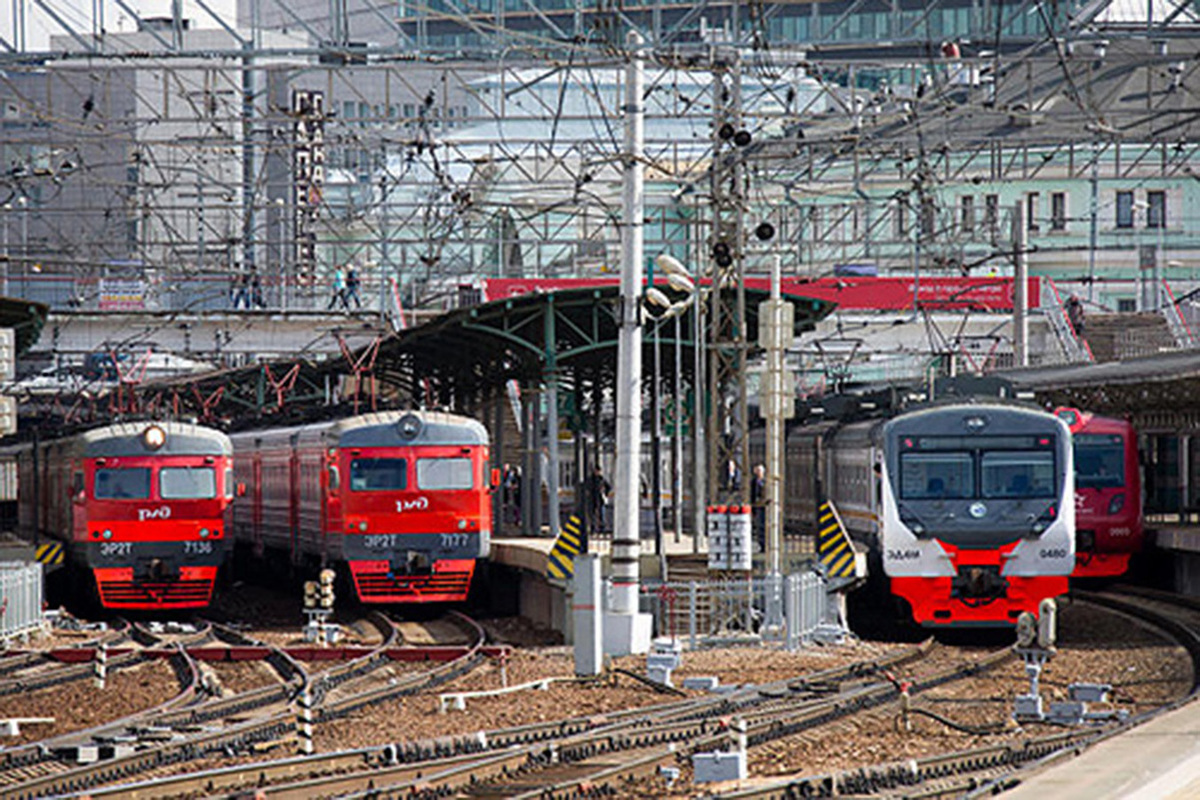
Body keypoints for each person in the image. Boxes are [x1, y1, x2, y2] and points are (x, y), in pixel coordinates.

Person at [582, 465, 611, 535]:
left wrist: (605, 494)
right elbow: (586, 487)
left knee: (602, 514)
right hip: (593, 499)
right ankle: (593, 528)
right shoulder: (591, 479)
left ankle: (602, 528)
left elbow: (608, 487)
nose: (597, 472)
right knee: (593, 514)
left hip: (600, 499)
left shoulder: (601, 479)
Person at [750, 464, 766, 552]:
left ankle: (766, 545)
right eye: (757, 470)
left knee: (765, 525)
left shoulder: (766, 481)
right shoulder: (753, 482)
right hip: (757, 506)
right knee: (759, 526)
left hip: (765, 506)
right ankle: (761, 544)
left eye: (760, 471)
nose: (758, 472)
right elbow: (752, 494)